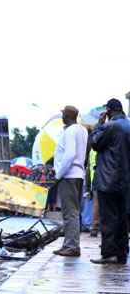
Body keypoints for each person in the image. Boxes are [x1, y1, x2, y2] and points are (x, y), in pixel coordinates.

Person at [89, 98, 130, 265]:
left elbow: (95, 143)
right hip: (125, 180)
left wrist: (99, 124)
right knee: (122, 218)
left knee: (108, 219)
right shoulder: (128, 125)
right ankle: (121, 254)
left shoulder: (111, 126)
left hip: (109, 179)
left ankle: (108, 254)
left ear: (108, 111)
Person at [52, 105, 88, 257]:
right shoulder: (82, 130)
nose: (61, 117)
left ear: (67, 116)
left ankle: (71, 246)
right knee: (74, 211)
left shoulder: (70, 131)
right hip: (78, 174)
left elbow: (69, 155)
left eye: (63, 114)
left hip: (69, 175)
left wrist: (59, 174)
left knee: (69, 212)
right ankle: (71, 244)